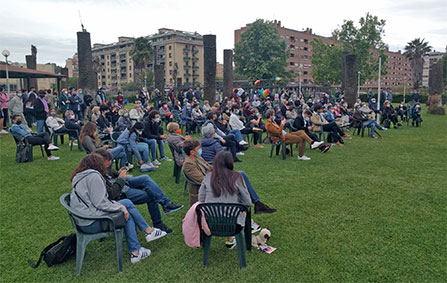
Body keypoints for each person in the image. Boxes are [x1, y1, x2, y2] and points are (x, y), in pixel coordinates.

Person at [70, 154, 166, 264]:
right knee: (125, 212)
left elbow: (97, 202)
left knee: (125, 205)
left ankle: (141, 244)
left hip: (84, 220)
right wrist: (119, 207)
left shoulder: (81, 176)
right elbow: (101, 203)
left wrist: (120, 206)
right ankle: (141, 242)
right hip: (91, 223)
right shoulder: (93, 176)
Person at [94, 149, 182, 233]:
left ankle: (166, 203)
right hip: (121, 192)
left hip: (123, 184)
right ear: (100, 162)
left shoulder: (105, 167)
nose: (110, 163)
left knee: (145, 178)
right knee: (151, 194)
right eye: (108, 161)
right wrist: (121, 178)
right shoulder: (96, 176)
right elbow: (111, 194)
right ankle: (158, 224)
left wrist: (119, 173)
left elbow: (113, 175)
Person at [183, 139, 276, 214]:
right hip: (209, 187)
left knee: (240, 174)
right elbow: (203, 180)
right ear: (192, 152)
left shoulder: (197, 158)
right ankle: (254, 204)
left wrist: (222, 170)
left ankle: (257, 203)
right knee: (238, 177)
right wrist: (222, 175)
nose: (200, 150)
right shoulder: (188, 164)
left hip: (213, 180)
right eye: (198, 148)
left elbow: (209, 167)